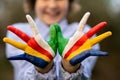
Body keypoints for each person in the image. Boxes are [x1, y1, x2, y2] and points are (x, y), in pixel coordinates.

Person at [4, 0, 111, 80]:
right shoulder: (19, 33)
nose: (52, 5)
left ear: (70, 2)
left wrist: (71, 68)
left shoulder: (84, 35)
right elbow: (23, 75)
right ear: (33, 2)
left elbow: (86, 75)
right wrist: (43, 69)